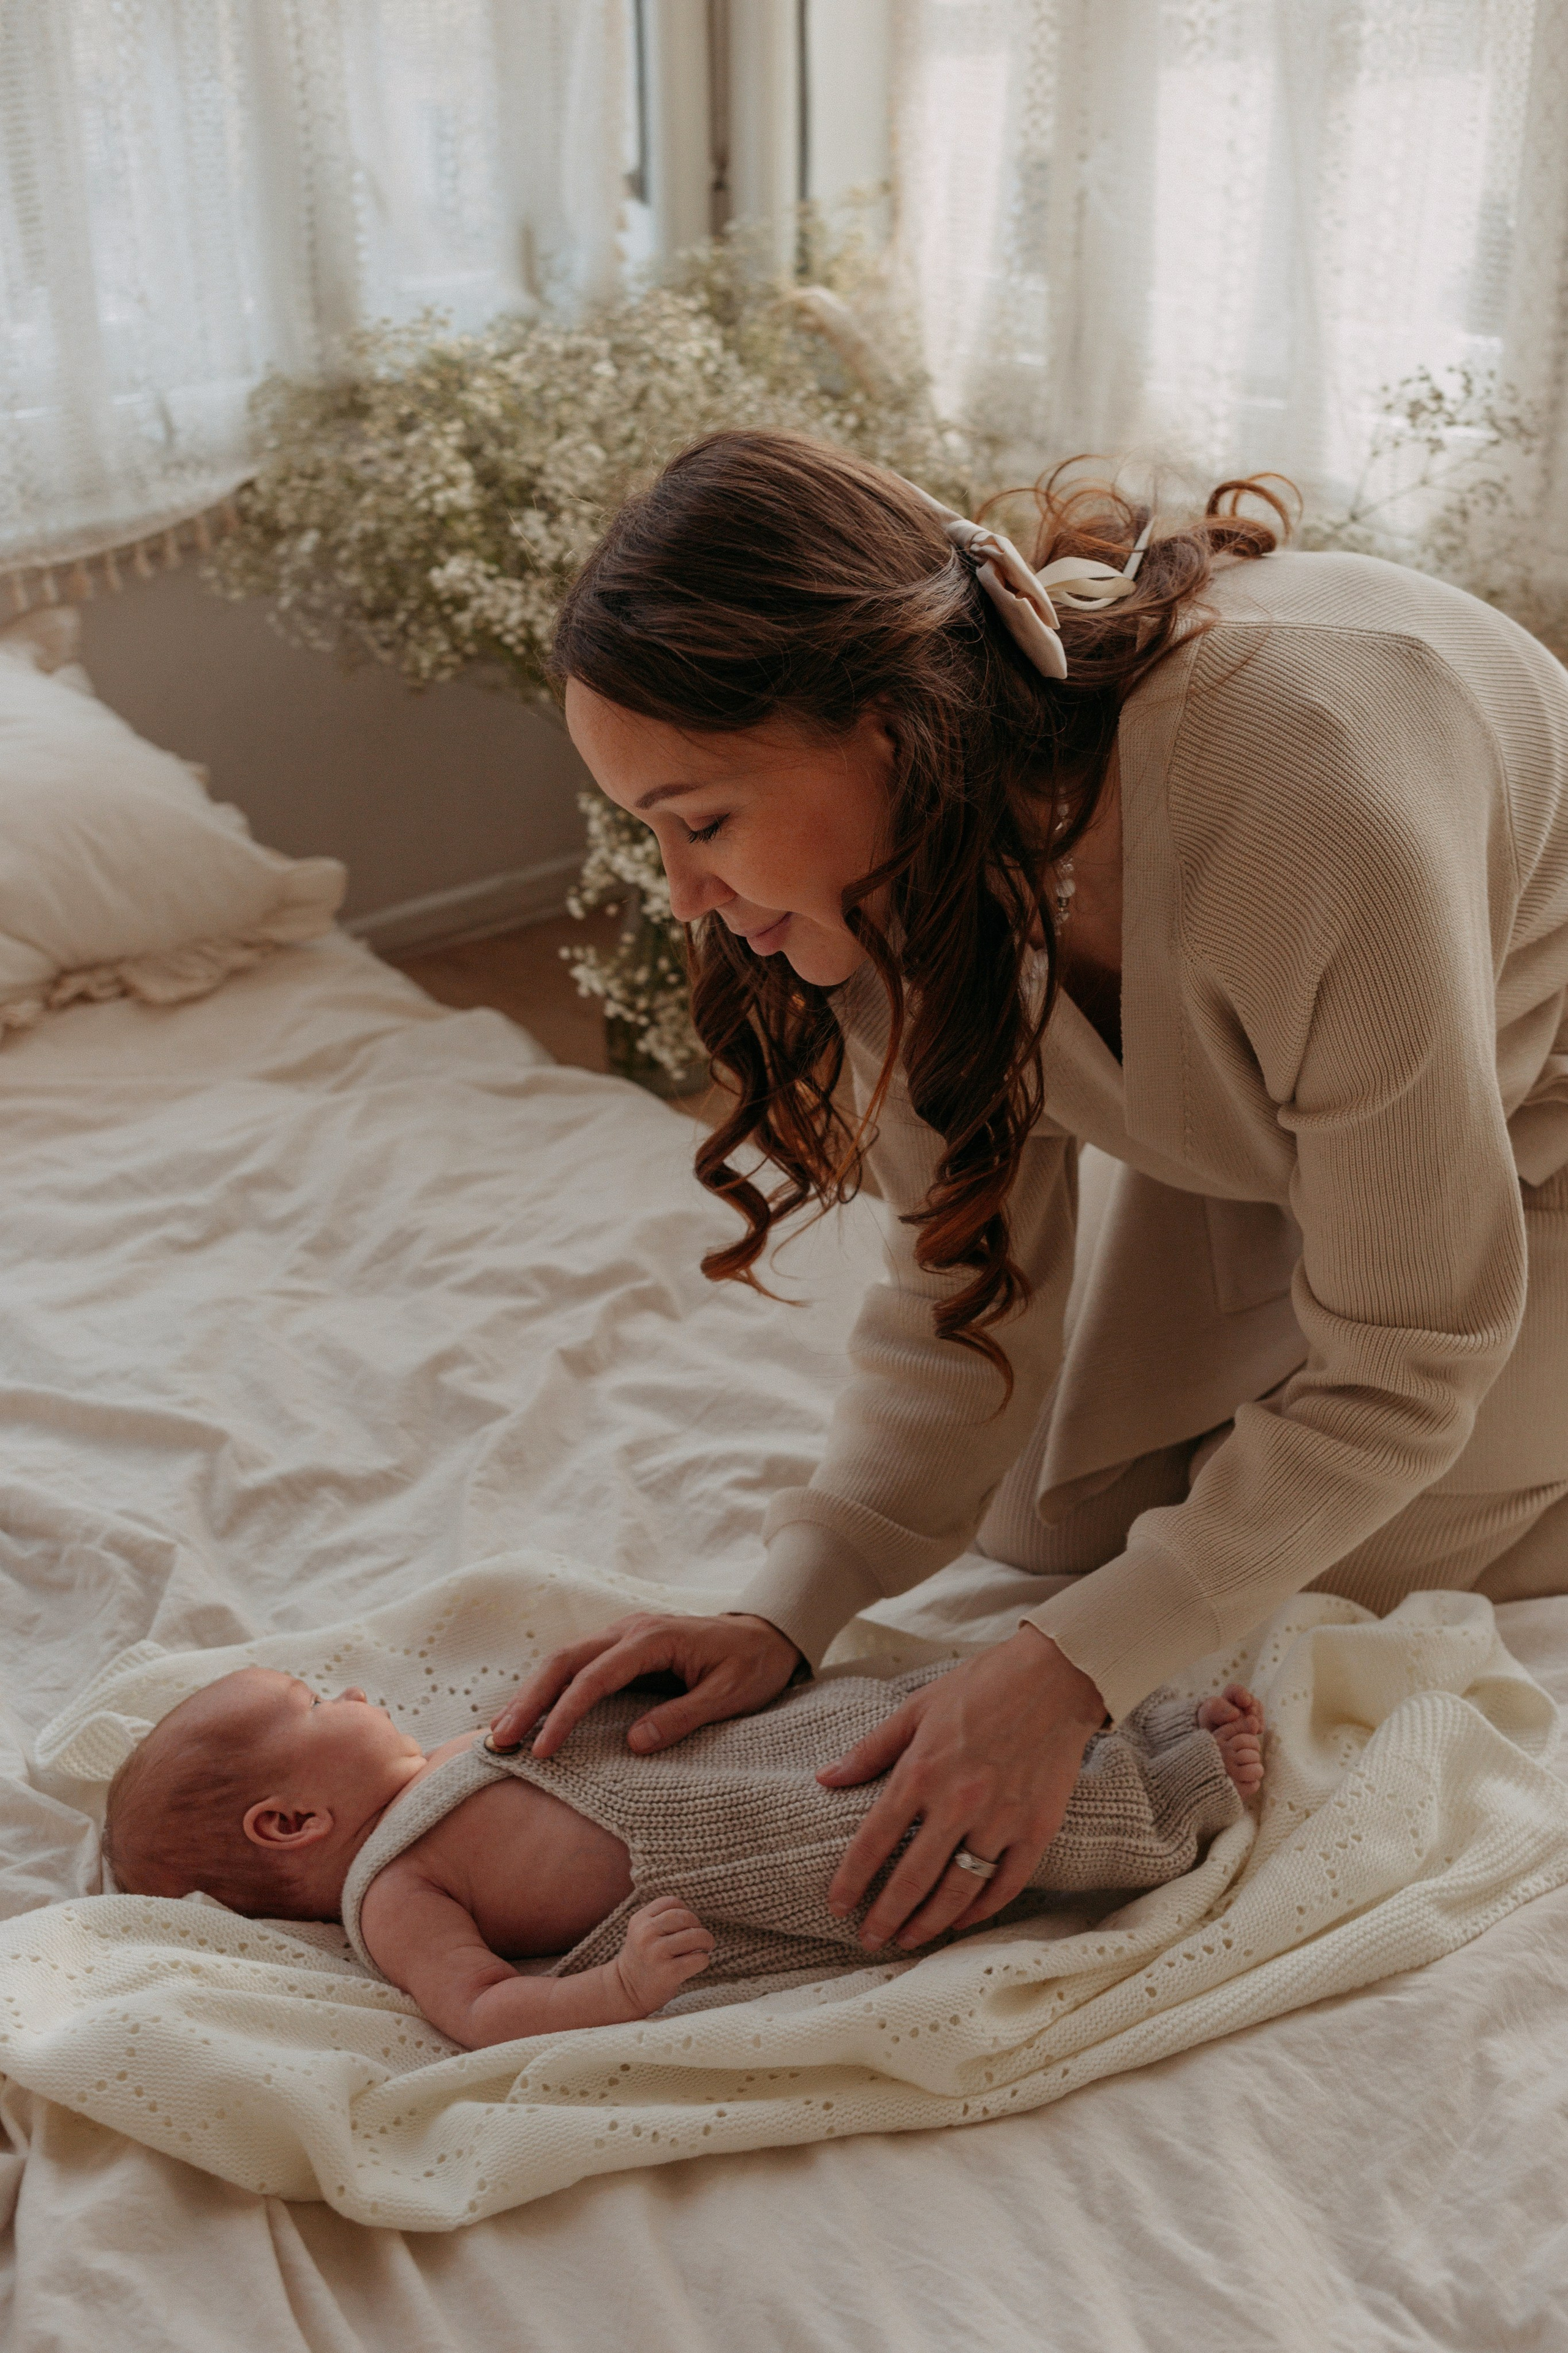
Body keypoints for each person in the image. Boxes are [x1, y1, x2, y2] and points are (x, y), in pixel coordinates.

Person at [485, 428, 1568, 1960]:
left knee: (1272, 1563)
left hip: (1537, 1137)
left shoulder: (1309, 795)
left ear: (882, 725)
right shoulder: (894, 866)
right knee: (1047, 1514)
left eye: (702, 820)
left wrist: (1065, 1674)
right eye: (646, 832)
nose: (683, 898)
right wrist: (784, 1609)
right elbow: (954, 1302)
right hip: (1285, 1134)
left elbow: (1404, 1357)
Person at [100, 1670, 1264, 2049]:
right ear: (290, 1822)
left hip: (729, 1762)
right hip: (735, 1852)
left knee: (882, 1724)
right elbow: (479, 2007)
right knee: (910, 1842)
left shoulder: (448, 1752)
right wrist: (611, 1992)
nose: (353, 1688)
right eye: (318, 1698)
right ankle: (1162, 1793)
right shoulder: (391, 1892)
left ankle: (1106, 1714)